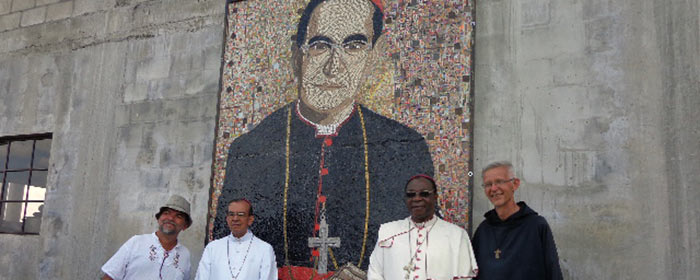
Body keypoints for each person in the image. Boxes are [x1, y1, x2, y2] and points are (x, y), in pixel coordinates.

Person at [213, 0, 434, 277]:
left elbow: (423, 244)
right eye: (320, 45)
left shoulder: (406, 147)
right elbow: (223, 246)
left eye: (353, 46)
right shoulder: (250, 149)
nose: (333, 66)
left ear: (374, 56)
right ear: (298, 55)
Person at [367, 175, 478, 280]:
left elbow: (464, 278)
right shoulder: (388, 231)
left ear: (435, 197)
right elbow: (375, 273)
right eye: (411, 195)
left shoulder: (457, 235)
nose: (417, 199)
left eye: (424, 194)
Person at [472, 161, 563, 280]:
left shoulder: (536, 226)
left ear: (515, 184)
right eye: (488, 184)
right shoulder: (483, 230)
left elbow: (552, 270)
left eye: (499, 181)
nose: (493, 188)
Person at [101, 195, 192, 280]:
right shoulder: (136, 242)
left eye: (178, 216)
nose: (171, 218)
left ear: (185, 226)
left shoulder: (185, 254)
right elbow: (109, 276)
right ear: (158, 219)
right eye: (166, 213)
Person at [195, 199, 276, 280]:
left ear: (250, 220)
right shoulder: (212, 248)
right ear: (227, 219)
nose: (235, 218)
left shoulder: (264, 249)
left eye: (241, 214)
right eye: (231, 214)